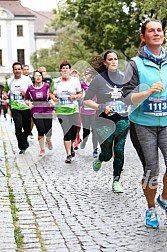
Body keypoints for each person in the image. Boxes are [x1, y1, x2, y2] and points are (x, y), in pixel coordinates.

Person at [123, 19, 167, 229]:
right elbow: (127, 97)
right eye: (151, 31)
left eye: (159, 30)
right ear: (143, 37)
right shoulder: (134, 64)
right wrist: (148, 92)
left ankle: (164, 198)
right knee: (152, 169)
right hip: (143, 124)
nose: (156, 33)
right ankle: (151, 208)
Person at [84, 51, 129, 193]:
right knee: (108, 154)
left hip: (122, 118)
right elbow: (86, 100)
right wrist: (102, 107)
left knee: (119, 150)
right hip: (103, 120)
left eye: (116, 59)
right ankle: (100, 158)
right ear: (105, 62)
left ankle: (116, 181)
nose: (114, 61)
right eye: (110, 59)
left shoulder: (124, 78)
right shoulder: (98, 80)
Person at [50, 61, 82, 163]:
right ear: (60, 71)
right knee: (66, 132)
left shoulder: (75, 81)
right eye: (63, 68)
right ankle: (68, 154)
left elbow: (80, 93)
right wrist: (54, 98)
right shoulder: (55, 81)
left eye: (67, 68)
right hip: (61, 110)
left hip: (73, 109)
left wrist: (75, 97)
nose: (65, 70)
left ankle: (71, 146)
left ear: (69, 70)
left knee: (73, 133)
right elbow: (50, 92)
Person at [3, 62, 33, 154]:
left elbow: (32, 91)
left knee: (27, 129)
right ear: (13, 70)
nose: (17, 71)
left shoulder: (27, 79)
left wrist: (26, 94)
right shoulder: (9, 81)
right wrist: (4, 95)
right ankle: (22, 146)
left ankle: (24, 139)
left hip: (26, 107)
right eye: (15, 69)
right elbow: (5, 91)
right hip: (15, 107)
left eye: (19, 69)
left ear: (21, 70)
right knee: (18, 127)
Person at [24, 70, 54, 157]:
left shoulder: (47, 86)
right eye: (36, 76)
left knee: (48, 130)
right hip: (36, 111)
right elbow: (26, 99)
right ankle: (42, 149)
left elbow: (51, 96)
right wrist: (28, 103)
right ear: (34, 78)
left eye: (39, 76)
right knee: (41, 130)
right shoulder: (30, 89)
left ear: (42, 77)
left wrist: (52, 100)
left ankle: (48, 140)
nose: (38, 77)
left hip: (47, 110)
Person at [80, 72, 98, 158]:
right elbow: (79, 95)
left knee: (95, 131)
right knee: (86, 131)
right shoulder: (82, 84)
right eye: (86, 73)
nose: (88, 75)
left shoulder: (96, 84)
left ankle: (95, 149)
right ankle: (84, 141)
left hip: (94, 111)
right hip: (84, 111)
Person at [70, 69, 82, 149]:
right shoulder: (68, 84)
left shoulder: (81, 84)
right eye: (72, 75)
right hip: (70, 107)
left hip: (80, 106)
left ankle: (77, 139)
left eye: (76, 75)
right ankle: (75, 139)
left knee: (78, 125)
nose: (74, 76)